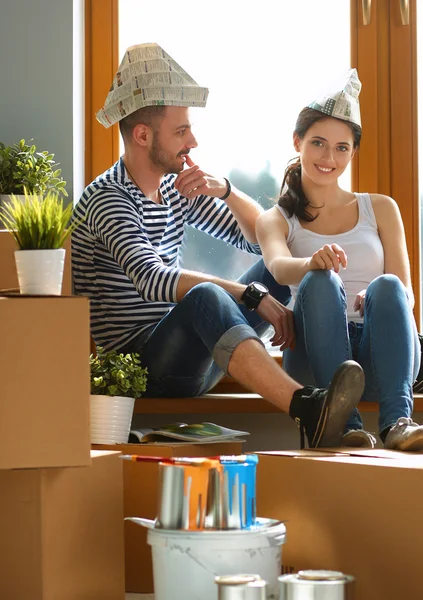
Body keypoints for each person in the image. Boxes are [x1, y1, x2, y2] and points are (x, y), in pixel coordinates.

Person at [72, 43, 366, 450]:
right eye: (180, 131)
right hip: (145, 368)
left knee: (280, 266)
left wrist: (226, 190)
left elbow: (260, 238)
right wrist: (250, 295)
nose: (193, 139)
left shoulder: (177, 188)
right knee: (207, 295)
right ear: (142, 135)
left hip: (198, 355)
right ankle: (308, 407)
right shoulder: (108, 199)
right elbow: (153, 280)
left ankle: (366, 347)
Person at [256, 69, 423, 452]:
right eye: (318, 144)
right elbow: (277, 267)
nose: (329, 158)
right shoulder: (276, 219)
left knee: (389, 286)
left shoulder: (381, 209)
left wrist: (376, 300)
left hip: (380, 356)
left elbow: (404, 293)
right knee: (322, 281)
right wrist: (313, 263)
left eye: (342, 148)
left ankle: (399, 422)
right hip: (314, 361)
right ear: (298, 142)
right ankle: (343, 422)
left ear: (353, 152)